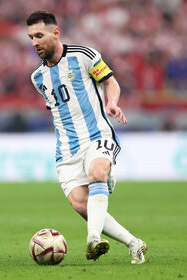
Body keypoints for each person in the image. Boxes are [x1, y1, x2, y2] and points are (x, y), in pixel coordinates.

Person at [26, 10, 147, 264]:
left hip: (97, 135)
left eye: (39, 35)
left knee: (97, 173)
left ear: (55, 32)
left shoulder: (84, 55)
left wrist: (112, 103)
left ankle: (92, 239)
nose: (35, 42)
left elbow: (111, 83)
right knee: (82, 206)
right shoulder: (37, 78)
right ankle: (134, 243)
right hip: (67, 150)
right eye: (31, 38)